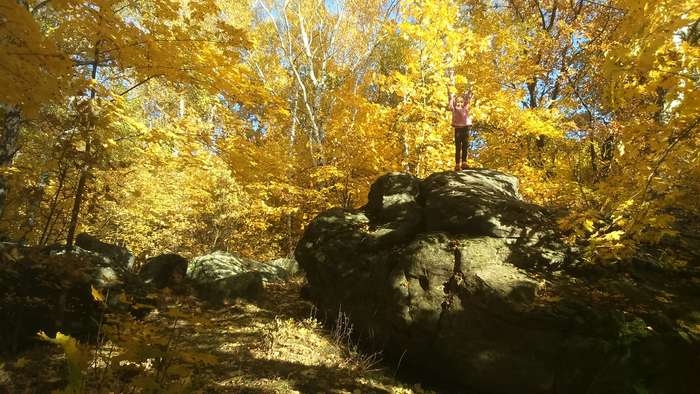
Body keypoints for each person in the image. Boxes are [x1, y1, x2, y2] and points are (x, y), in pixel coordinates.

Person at [447, 88, 473, 171]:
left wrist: (469, 92)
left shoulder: (465, 109)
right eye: (458, 102)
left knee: (465, 146)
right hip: (458, 129)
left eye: (461, 102)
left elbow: (468, 101)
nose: (459, 103)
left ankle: (464, 163)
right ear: (455, 103)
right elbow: (451, 104)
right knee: (458, 147)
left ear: (463, 103)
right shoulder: (454, 109)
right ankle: (457, 164)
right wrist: (451, 97)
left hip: (465, 129)